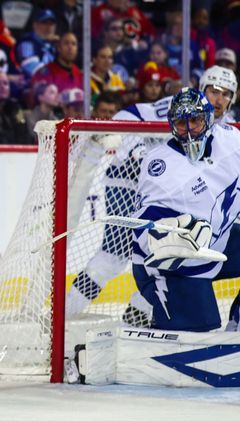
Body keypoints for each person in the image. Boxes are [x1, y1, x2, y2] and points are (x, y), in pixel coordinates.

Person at [66, 69, 238, 321]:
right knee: (114, 256)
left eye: (226, 94)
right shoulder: (178, 105)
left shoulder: (226, 130)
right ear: (202, 88)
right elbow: (129, 114)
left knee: (173, 260)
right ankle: (63, 314)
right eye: (213, 90)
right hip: (129, 182)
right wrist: (134, 148)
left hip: (179, 199)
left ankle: (134, 320)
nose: (219, 99)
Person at [132, 88, 240, 332]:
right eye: (182, 123)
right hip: (175, 265)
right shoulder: (160, 164)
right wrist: (166, 237)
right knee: (202, 336)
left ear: (209, 119)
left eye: (195, 121)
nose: (189, 130)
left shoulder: (231, 141)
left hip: (216, 244)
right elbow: (144, 230)